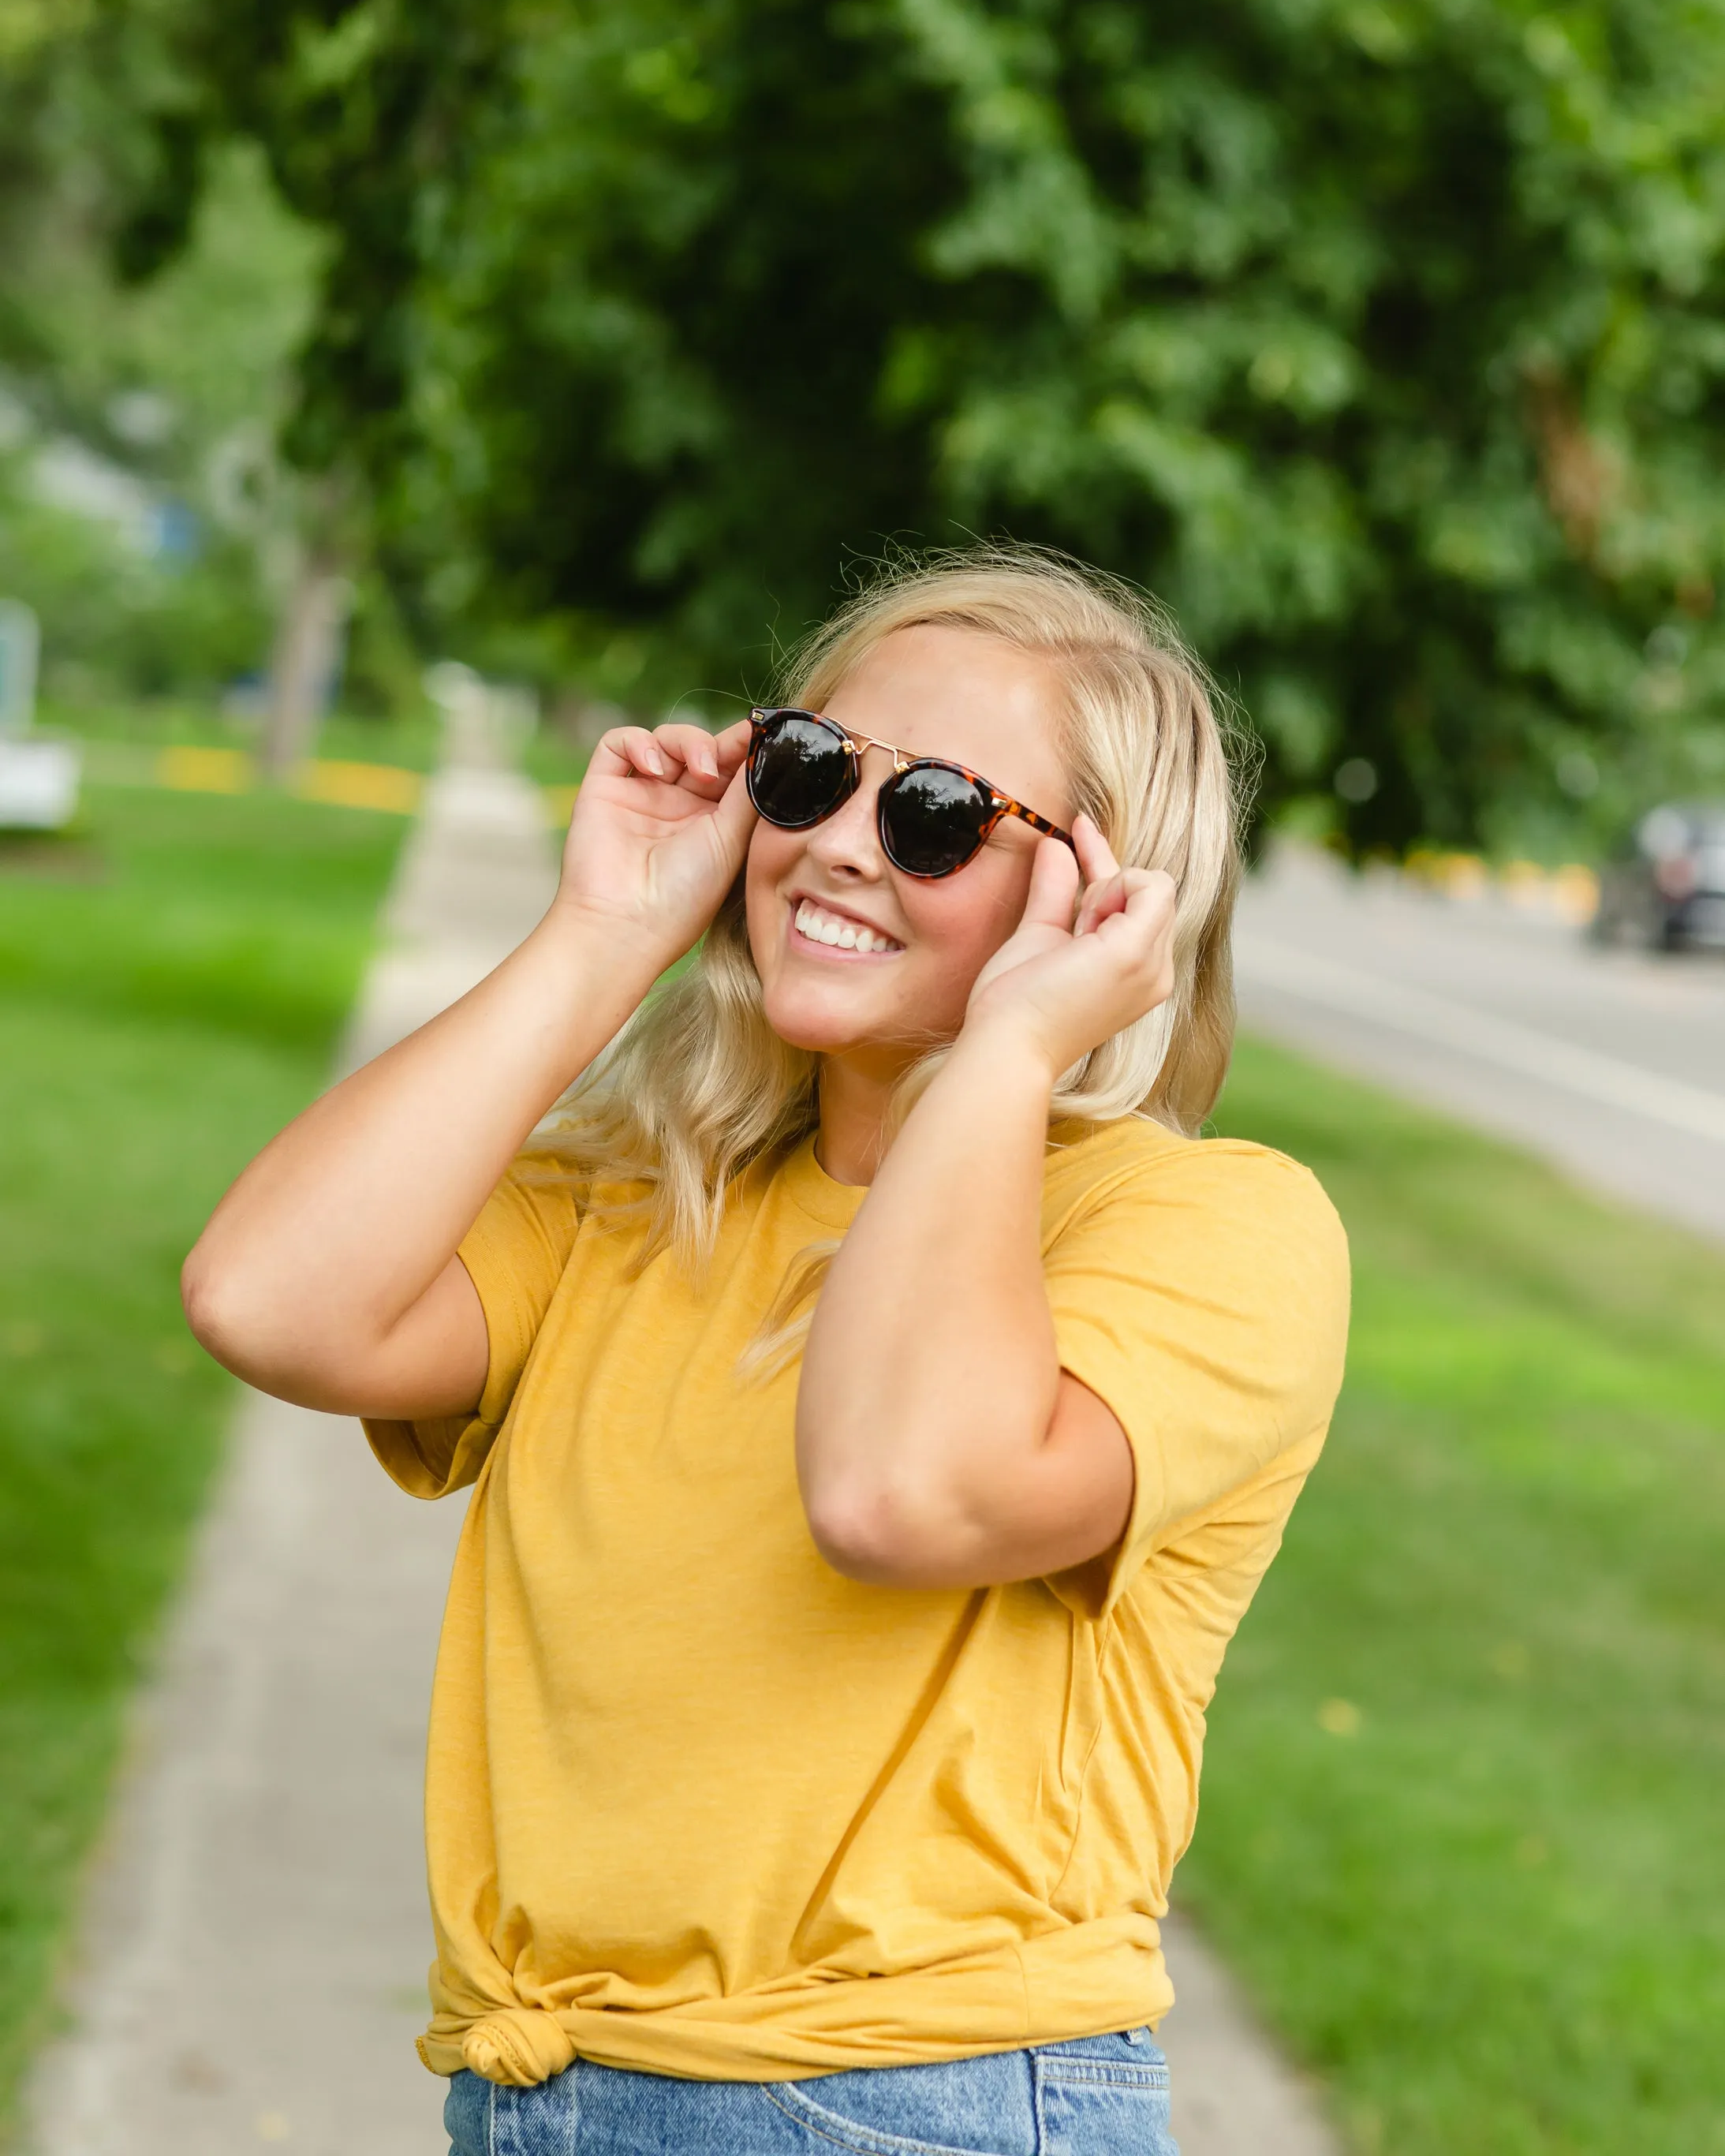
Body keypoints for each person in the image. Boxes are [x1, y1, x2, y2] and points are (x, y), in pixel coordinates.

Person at [183, 544, 1349, 2156]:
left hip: (913, 2100)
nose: (840, 849)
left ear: (1103, 888)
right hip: (537, 2088)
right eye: (809, 773)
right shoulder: (634, 1193)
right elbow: (269, 1299)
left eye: (934, 811)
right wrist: (605, 929)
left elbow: (894, 1491)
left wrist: (1014, 1042)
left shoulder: (1206, 1224)